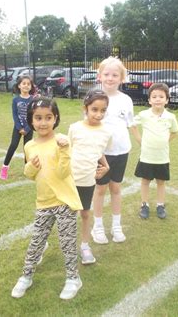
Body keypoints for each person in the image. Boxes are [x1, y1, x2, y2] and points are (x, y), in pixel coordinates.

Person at [11, 97, 84, 300]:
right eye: (38, 118)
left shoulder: (61, 141)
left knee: (67, 242)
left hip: (64, 202)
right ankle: (26, 276)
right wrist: (31, 166)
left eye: (48, 117)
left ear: (56, 119)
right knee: (37, 241)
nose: (43, 122)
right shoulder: (30, 146)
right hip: (43, 202)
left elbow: (62, 173)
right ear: (31, 120)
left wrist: (64, 151)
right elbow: (29, 174)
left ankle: (73, 278)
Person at [91, 57, 135, 244]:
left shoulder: (126, 100)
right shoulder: (94, 97)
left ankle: (116, 226)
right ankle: (97, 227)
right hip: (101, 153)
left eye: (115, 75)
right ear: (100, 76)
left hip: (121, 151)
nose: (110, 78)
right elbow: (89, 125)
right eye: (106, 74)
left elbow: (129, 124)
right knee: (100, 189)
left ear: (122, 78)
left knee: (116, 188)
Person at [68, 89, 111, 264]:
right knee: (63, 215)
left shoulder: (106, 133)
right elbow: (67, 151)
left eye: (103, 110)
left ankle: (85, 245)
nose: (98, 114)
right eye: (94, 109)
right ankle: (56, 244)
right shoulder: (75, 128)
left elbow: (98, 151)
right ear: (86, 108)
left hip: (87, 180)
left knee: (85, 213)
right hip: (69, 179)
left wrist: (106, 166)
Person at [132, 83, 178, 219]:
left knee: (160, 182)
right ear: (149, 100)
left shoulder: (170, 117)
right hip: (147, 156)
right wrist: (140, 141)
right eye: (154, 96)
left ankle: (160, 205)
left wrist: (165, 141)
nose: (157, 99)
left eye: (161, 96)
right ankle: (144, 205)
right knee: (145, 181)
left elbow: (175, 132)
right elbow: (133, 125)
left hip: (162, 157)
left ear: (167, 100)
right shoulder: (144, 114)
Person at [0, 75, 36, 180]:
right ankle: (4, 167)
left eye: (28, 84)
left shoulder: (33, 100)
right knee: (13, 146)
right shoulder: (15, 100)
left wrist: (27, 128)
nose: (26, 86)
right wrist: (20, 127)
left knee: (27, 148)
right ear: (19, 85)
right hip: (18, 128)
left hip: (29, 128)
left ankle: (27, 169)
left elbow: (33, 116)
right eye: (23, 83)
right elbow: (15, 115)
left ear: (31, 86)